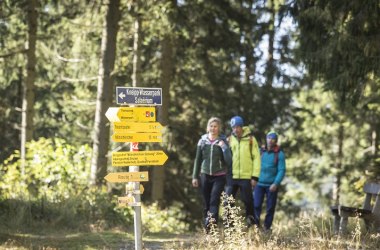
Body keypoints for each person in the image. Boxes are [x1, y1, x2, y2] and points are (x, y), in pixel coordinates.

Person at [192, 117, 232, 232]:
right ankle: (207, 229)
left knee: (214, 202)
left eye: (215, 126)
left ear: (219, 128)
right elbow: (197, 159)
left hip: (219, 176)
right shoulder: (202, 141)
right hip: (205, 175)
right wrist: (195, 176)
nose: (213, 128)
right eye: (211, 126)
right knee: (206, 203)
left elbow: (229, 161)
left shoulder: (223, 141)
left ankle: (211, 228)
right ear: (208, 127)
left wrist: (224, 147)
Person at [225, 116, 261, 227]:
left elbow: (256, 158)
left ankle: (252, 225)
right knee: (228, 201)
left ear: (242, 126)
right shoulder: (230, 139)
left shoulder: (250, 139)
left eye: (237, 127)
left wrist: (255, 177)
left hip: (246, 177)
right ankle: (230, 227)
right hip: (232, 176)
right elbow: (226, 157)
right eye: (233, 127)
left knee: (248, 201)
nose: (235, 129)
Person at [253, 131, 286, 232]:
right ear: (266, 139)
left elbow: (282, 170)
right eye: (269, 138)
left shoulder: (279, 154)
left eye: (273, 139)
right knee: (256, 205)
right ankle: (256, 227)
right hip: (259, 184)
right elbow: (254, 165)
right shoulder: (260, 151)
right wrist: (253, 178)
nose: (270, 140)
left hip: (271, 185)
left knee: (270, 208)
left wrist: (276, 183)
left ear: (276, 141)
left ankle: (267, 228)